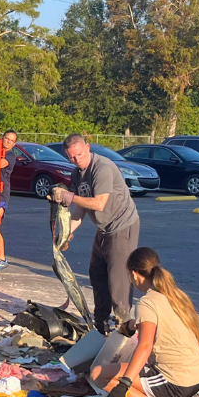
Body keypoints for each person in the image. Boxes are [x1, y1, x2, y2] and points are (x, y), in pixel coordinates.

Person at [90, 247, 199, 397]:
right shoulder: (176, 297)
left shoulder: (146, 303)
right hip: (196, 378)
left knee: (98, 374)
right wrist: (133, 325)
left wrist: (124, 385)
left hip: (176, 382)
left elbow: (144, 346)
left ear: (134, 274)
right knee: (154, 362)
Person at [52, 133, 140, 333]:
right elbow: (81, 208)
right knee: (97, 274)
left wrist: (69, 196)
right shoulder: (77, 173)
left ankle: (124, 328)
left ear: (88, 147)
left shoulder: (103, 168)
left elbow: (99, 203)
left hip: (122, 225)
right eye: (71, 157)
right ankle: (101, 325)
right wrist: (65, 233)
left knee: (118, 281)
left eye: (80, 155)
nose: (77, 160)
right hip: (103, 228)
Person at [0, 130, 19, 272]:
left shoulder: (11, 155)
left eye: (11, 140)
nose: (8, 142)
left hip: (1, 196)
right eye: (6, 138)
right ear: (2, 138)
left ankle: (2, 258)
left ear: (14, 144)